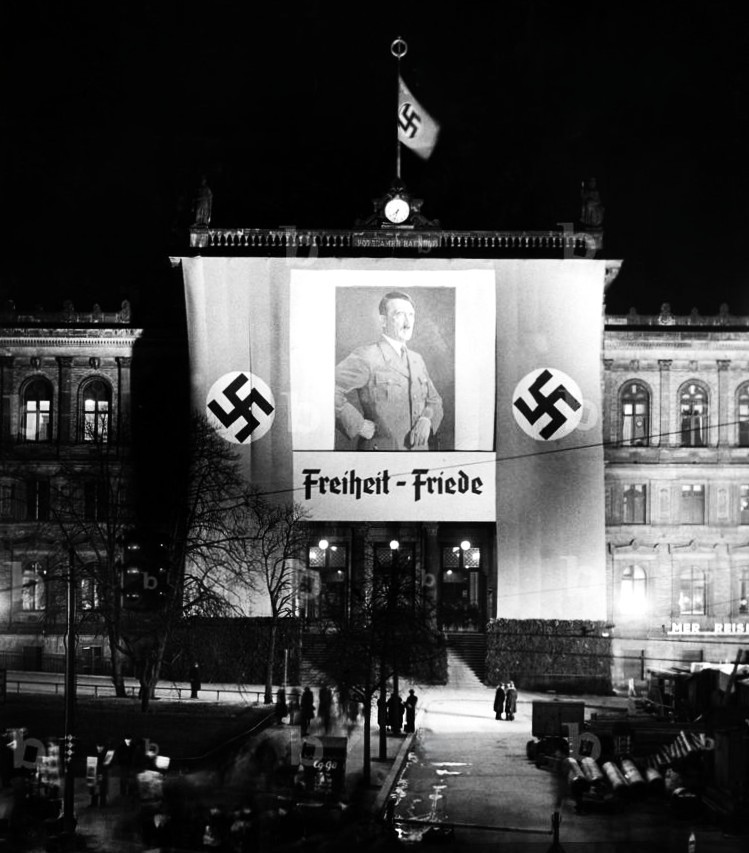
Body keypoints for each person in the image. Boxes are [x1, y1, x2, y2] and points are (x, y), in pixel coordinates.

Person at [335, 291, 443, 450]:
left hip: (419, 458)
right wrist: (357, 424)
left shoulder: (417, 359)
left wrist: (426, 419)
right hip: (381, 458)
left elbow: (434, 401)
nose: (408, 323)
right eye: (399, 314)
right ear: (383, 320)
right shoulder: (367, 356)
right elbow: (325, 389)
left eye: (411, 315)